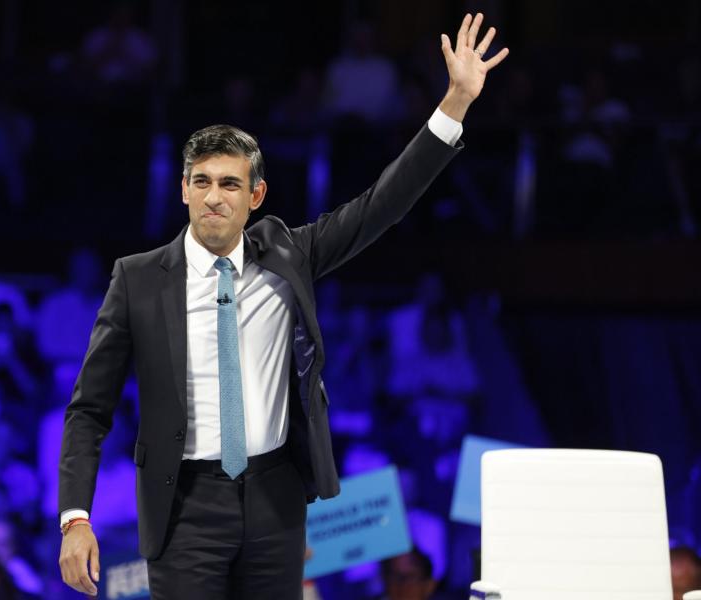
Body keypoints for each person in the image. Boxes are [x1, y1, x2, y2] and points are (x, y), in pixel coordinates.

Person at [57, 13, 508, 598]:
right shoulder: (138, 279)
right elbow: (89, 409)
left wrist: (453, 105)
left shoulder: (289, 254)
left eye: (229, 184)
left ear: (256, 195)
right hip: (182, 503)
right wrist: (75, 517)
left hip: (276, 497)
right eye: (201, 181)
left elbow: (383, 205)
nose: (213, 197)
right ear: (183, 189)